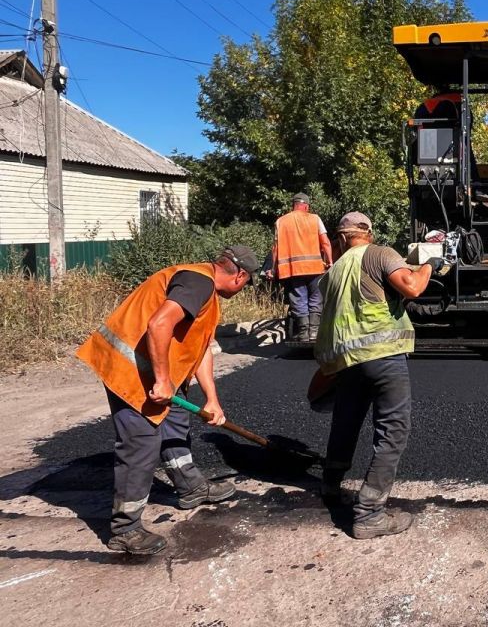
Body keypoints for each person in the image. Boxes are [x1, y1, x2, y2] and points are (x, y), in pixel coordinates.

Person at [75, 245, 260, 555]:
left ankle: (190, 486)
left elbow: (201, 349)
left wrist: (212, 399)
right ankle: (125, 528)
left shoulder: (205, 290)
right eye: (246, 283)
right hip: (131, 371)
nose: (243, 289)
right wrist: (162, 379)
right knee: (140, 444)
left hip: (157, 374)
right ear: (240, 276)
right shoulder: (198, 282)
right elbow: (159, 324)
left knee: (175, 420)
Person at [314, 212, 441, 539]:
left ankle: (330, 484)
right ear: (368, 233)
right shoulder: (379, 253)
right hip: (382, 354)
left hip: (346, 361)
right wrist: (430, 265)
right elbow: (412, 288)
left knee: (346, 422)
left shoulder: (332, 272)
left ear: (341, 238)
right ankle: (370, 513)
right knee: (393, 430)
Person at [268, 192, 333, 341]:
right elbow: (325, 243)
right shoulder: (315, 219)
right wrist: (330, 262)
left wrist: (273, 269)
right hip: (315, 268)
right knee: (316, 298)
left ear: (294, 205)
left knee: (299, 299)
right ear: (306, 206)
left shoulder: (281, 221)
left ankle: (303, 333)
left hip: (293, 269)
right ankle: (314, 332)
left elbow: (275, 248)